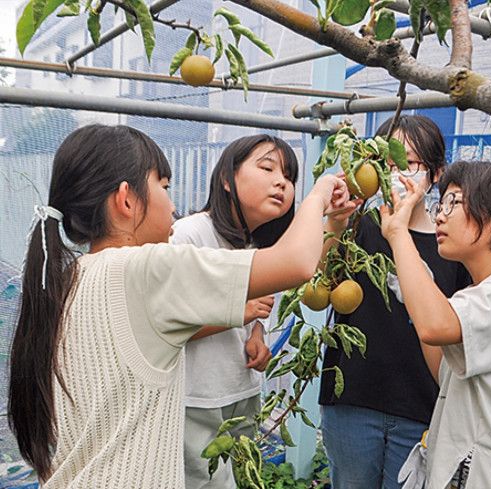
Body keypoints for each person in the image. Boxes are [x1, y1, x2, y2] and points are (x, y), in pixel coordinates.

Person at [7, 124, 352, 489]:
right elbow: (297, 263)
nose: (173, 204)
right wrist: (320, 193)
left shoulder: (72, 276)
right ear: (126, 200)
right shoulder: (147, 268)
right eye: (164, 187)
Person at [380, 161, 491, 488]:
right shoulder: (488, 292)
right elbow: (443, 370)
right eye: (440, 204)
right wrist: (416, 288)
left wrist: (398, 234)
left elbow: (433, 326)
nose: (440, 215)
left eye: (453, 203)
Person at [319, 115, 471, 489]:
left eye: (408, 163)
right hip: (352, 398)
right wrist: (335, 222)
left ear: (435, 174)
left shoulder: (451, 246)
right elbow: (319, 280)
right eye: (384, 163)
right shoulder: (357, 227)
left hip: (421, 407)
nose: (394, 173)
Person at [171, 135, 299, 488]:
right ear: (227, 179)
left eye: (289, 177)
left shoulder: (257, 246)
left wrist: (257, 333)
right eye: (267, 168)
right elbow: (165, 323)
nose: (281, 183)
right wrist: (235, 312)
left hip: (239, 393)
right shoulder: (190, 235)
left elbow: (257, 313)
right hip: (194, 399)